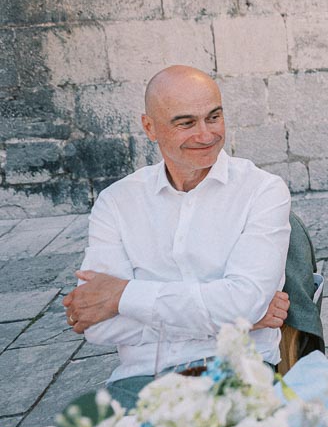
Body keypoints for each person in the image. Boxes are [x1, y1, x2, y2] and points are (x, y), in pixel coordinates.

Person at [62, 65, 291, 406]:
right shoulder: (116, 202)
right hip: (140, 382)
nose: (206, 134)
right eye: (186, 123)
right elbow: (98, 325)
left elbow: (242, 303)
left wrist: (122, 296)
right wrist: (237, 321)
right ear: (150, 127)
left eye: (214, 117)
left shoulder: (262, 190)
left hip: (238, 371)